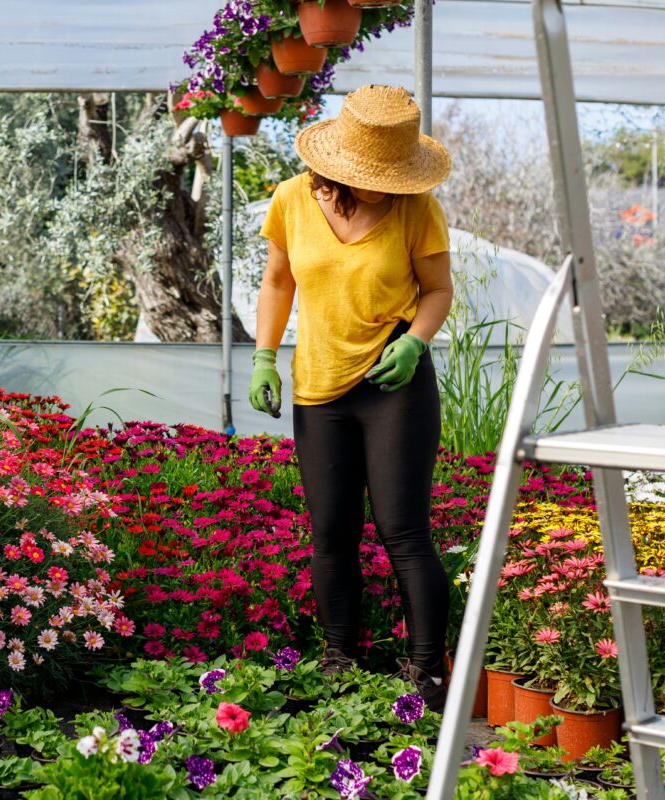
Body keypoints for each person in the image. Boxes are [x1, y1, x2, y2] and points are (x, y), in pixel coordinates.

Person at [248, 85, 454, 710]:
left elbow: (439, 290)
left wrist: (416, 341)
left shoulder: (417, 207)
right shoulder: (291, 200)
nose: (386, 186)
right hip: (318, 385)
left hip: (393, 382)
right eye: (376, 175)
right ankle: (340, 657)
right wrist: (263, 356)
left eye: (396, 175)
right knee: (331, 533)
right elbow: (278, 282)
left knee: (403, 531)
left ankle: (428, 673)